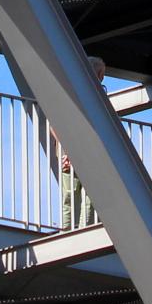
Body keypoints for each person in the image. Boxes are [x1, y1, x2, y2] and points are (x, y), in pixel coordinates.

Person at [51, 56, 107, 227]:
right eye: (102, 74)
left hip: (71, 152)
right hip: (87, 151)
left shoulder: (68, 90)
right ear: (98, 74)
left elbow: (55, 123)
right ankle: (85, 229)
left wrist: (65, 150)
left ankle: (69, 230)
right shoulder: (95, 95)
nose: (102, 79)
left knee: (70, 196)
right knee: (89, 196)